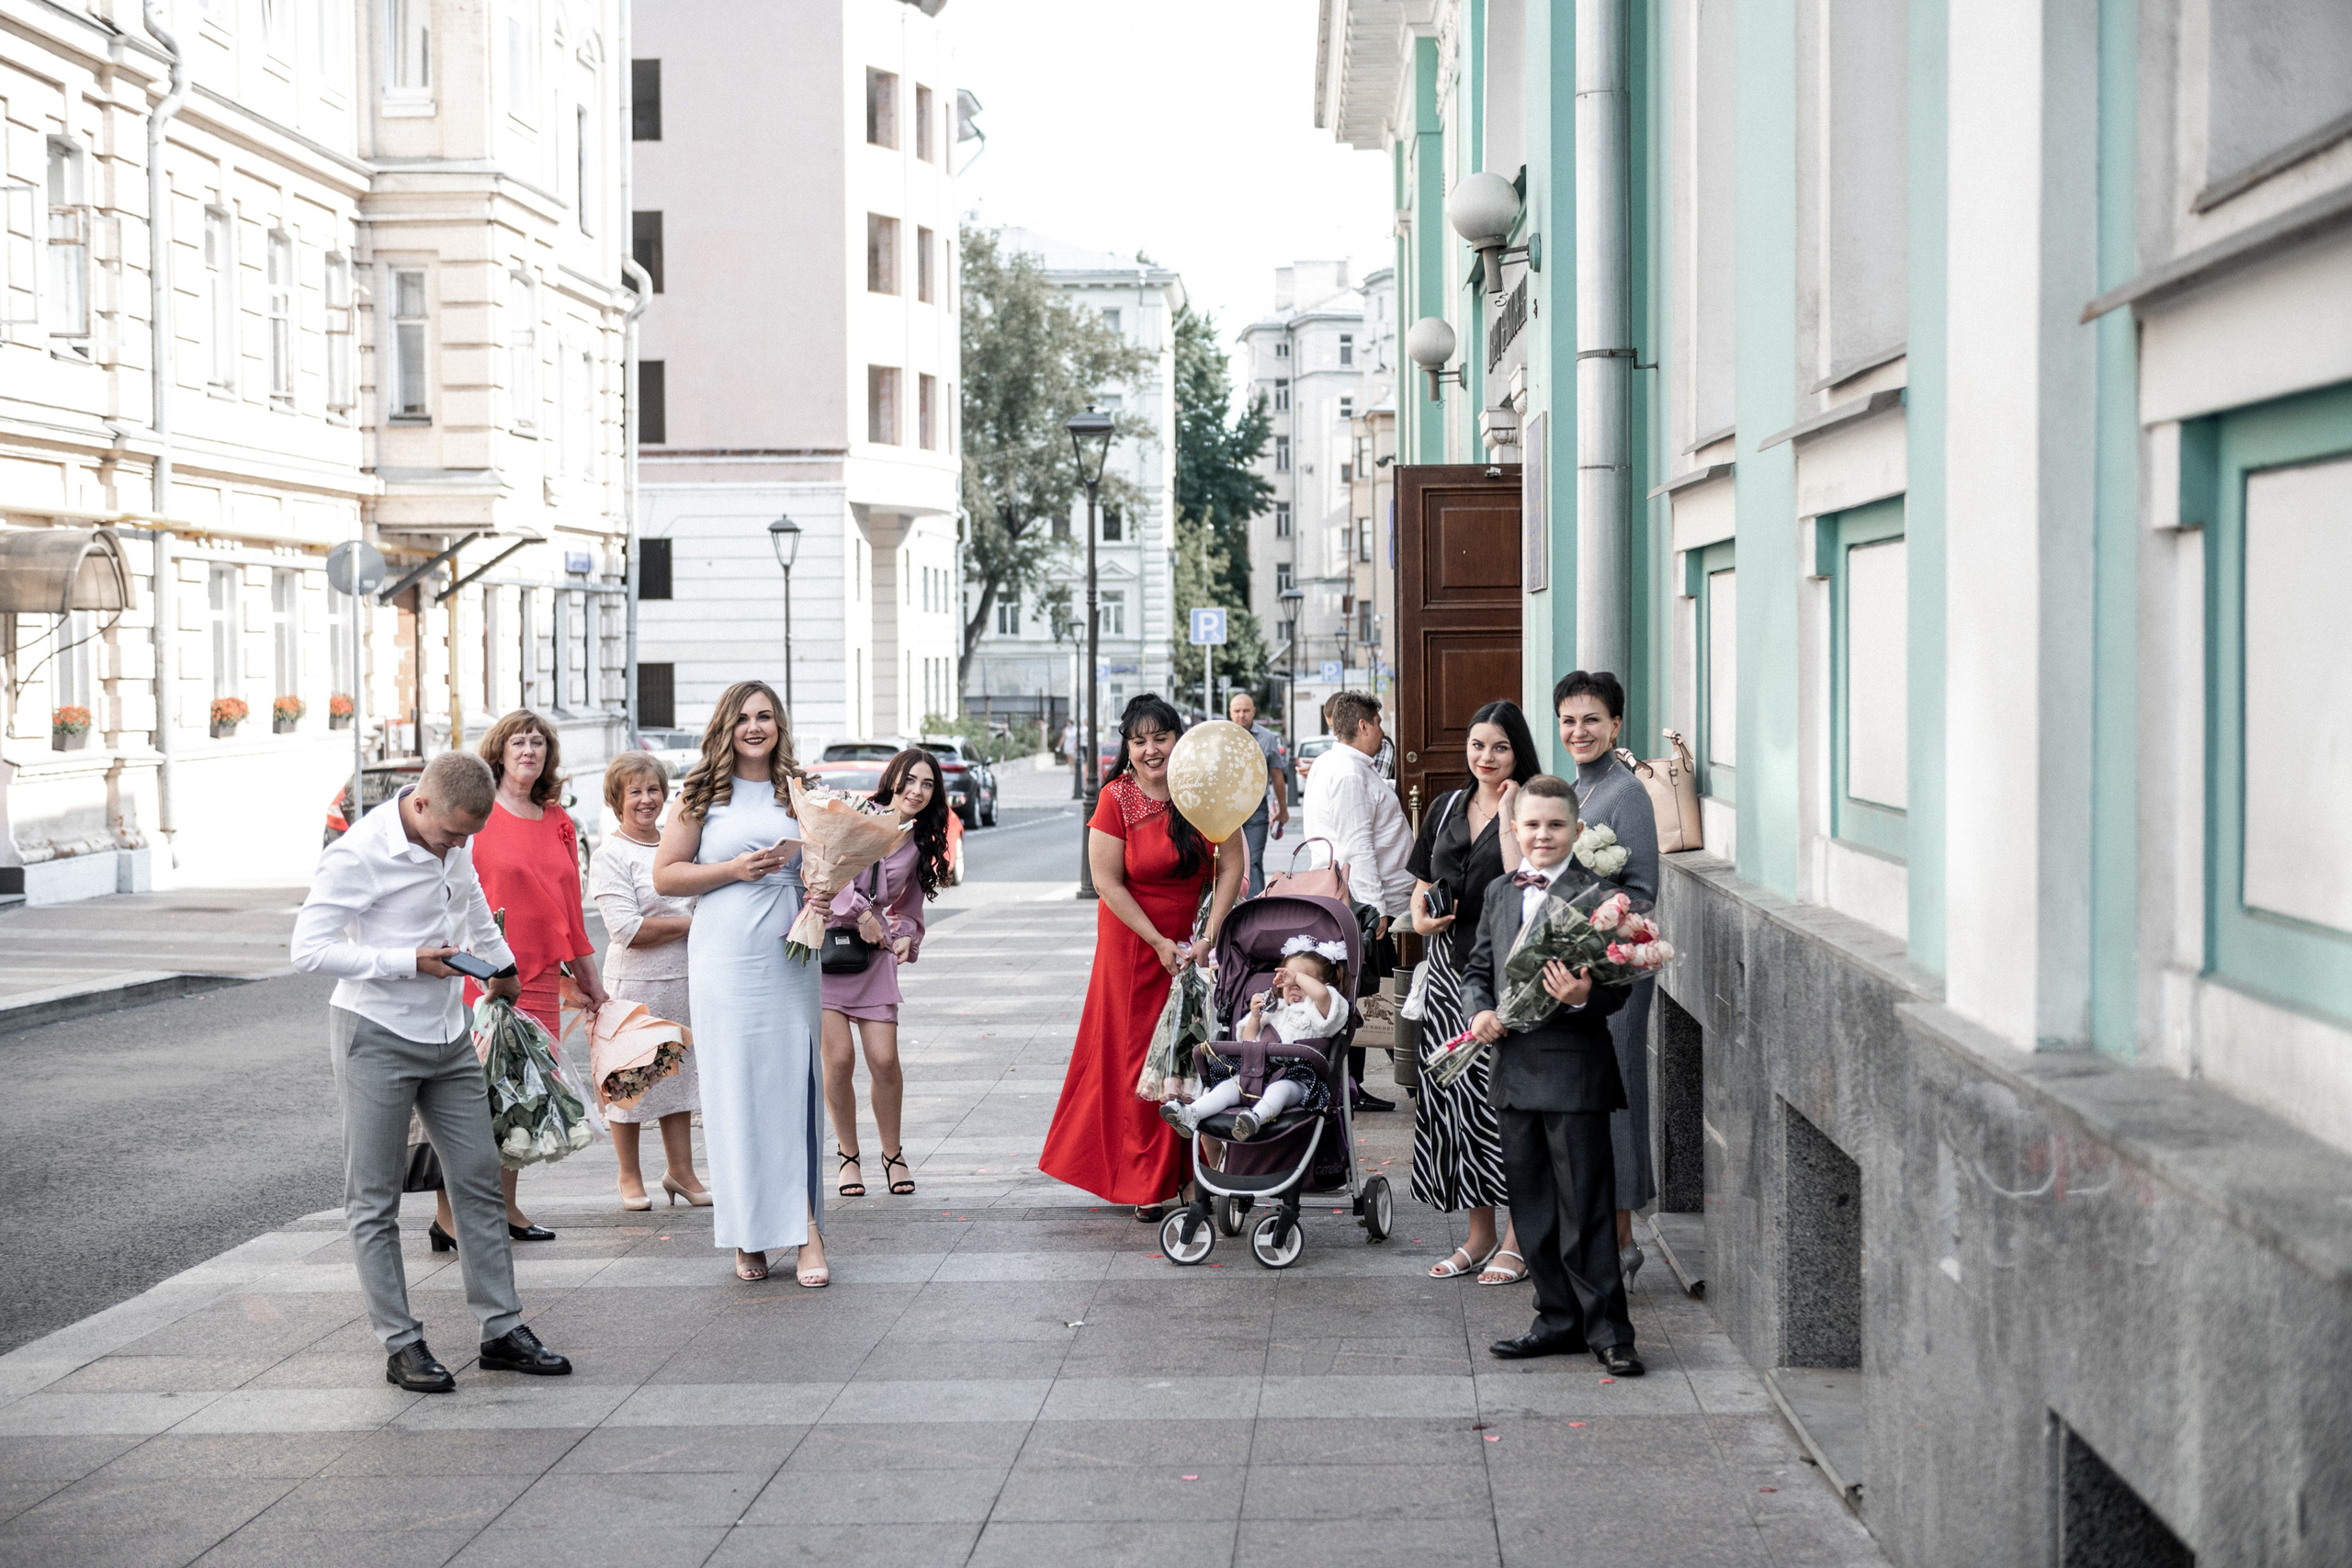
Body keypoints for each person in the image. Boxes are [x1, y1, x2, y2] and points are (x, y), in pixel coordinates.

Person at [289, 750, 571, 1393]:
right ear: (420, 803)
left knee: (477, 1179)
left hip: (448, 1034)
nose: (457, 846)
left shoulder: (457, 841)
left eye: (467, 838)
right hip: (376, 1034)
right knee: (374, 1196)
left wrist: (501, 968)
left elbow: (472, 904)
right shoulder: (358, 854)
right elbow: (307, 949)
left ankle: (502, 1328)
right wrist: (405, 960)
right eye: (450, 834)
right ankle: (401, 1342)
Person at [1040, 694, 1247, 1221]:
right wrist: (1157, 942)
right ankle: (1145, 1181)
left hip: (1193, 942)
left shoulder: (1202, 788)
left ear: (1180, 739)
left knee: (1191, 1056)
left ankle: (1193, 1174)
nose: (1152, 750)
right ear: (1127, 748)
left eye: (1161, 737)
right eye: (1140, 741)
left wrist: (1209, 935)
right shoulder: (1116, 798)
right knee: (1139, 1060)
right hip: (1134, 944)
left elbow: (1232, 866)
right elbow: (1106, 881)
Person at [1462, 774, 1640, 1374]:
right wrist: (1479, 1012)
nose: (1543, 834)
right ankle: (1556, 1319)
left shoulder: (1600, 896)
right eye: (1532, 824)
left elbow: (1620, 987)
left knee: (1586, 1206)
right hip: (1513, 1069)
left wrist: (1587, 992)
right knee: (1533, 1206)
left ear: (1577, 830)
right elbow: (1477, 969)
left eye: (1555, 824)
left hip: (1575, 1071)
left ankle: (1611, 1331)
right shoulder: (1497, 893)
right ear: (1515, 829)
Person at [652, 680, 830, 1286]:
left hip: (787, 953)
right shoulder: (701, 794)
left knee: (789, 1089)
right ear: (725, 727)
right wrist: (733, 868)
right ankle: (747, 1233)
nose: (755, 726)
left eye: (765, 716)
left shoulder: (799, 791)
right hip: (725, 952)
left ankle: (805, 1229)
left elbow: (825, 862)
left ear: (779, 725)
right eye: (743, 718)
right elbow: (666, 876)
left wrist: (824, 886)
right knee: (733, 1095)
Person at [449, 710, 609, 1246]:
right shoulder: (477, 815)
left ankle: (507, 1208)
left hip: (539, 976)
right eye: (518, 741)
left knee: (521, 1097)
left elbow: (571, 907)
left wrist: (591, 979)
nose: (529, 751)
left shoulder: (556, 817)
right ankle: (451, 1218)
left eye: (538, 742)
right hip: (485, 979)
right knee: (475, 1097)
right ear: (499, 750)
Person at [1406, 699, 1539, 1286]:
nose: (1486, 757)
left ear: (1519, 753)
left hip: (1501, 976)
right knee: (1456, 1106)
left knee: (1501, 1105)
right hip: (1443, 974)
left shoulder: (1532, 808)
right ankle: (1479, 1234)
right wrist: (1420, 917)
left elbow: (1527, 885)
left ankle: (1519, 1238)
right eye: (1478, 744)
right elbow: (1421, 885)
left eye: (1500, 747)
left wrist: (1512, 810)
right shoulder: (1444, 807)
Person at [1555, 669, 1664, 1287]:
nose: (1579, 730)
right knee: (1593, 1102)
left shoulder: (1627, 794)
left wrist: (1593, 919)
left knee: (1617, 1098)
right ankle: (1604, 1233)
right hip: (1579, 969)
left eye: (1592, 718)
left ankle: (1623, 1239)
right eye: (1570, 720)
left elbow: (1642, 894)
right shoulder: (1576, 788)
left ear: (1616, 723)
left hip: (1617, 971)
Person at [821, 747, 950, 1200]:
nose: (916, 790)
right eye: (910, 780)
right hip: (826, 950)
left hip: (874, 956)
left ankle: (893, 1155)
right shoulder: (857, 817)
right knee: (838, 1061)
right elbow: (824, 876)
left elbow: (910, 908)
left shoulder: (918, 842)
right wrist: (863, 914)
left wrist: (905, 937)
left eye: (927, 784)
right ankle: (848, 1157)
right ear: (893, 778)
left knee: (884, 1060)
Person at [587, 751, 707, 1212]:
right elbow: (628, 930)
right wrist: (690, 924)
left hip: (685, 979)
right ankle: (629, 1176)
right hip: (634, 986)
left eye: (653, 789)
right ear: (616, 800)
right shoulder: (611, 855)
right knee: (630, 1080)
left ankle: (682, 1172)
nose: (645, 799)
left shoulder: (679, 845)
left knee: (678, 1077)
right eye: (634, 791)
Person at [1298, 690, 1413, 1111]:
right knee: (1374, 995)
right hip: (1360, 904)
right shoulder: (1348, 773)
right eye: (1379, 723)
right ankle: (1397, 1080)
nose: (1383, 732)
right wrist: (1377, 909)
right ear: (1363, 725)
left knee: (1365, 993)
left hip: (1353, 900)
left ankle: (1356, 1084)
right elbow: (1356, 845)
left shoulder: (1338, 764)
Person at [1161, 943, 1348, 1140]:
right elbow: (1248, 1042)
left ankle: (1255, 1119)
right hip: (1257, 1074)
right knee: (1228, 1086)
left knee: (1280, 1089)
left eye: (1302, 981)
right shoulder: (1275, 1010)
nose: (1294, 986)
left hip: (1298, 1079)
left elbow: (1322, 995)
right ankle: (1192, 1113)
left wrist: (1296, 976)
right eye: (1289, 981)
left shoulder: (1318, 1010)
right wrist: (1255, 1017)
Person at [1227, 691, 1290, 896]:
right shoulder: (1222, 737)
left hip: (1256, 808)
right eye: (1237, 711)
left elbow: (1277, 775)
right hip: (1227, 809)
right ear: (1230, 712)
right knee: (1226, 862)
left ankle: (1254, 908)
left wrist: (1283, 809)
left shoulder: (1267, 738)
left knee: (1252, 861)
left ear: (1254, 712)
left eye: (1246, 710)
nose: (1241, 715)